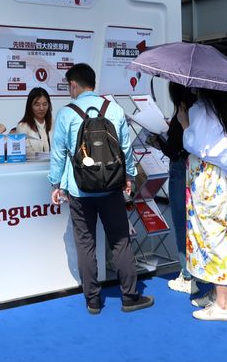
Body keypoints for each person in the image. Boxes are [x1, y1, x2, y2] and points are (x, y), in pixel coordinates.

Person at [48, 63, 153, 314]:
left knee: (85, 243)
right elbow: (125, 149)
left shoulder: (66, 113)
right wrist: (128, 176)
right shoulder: (114, 110)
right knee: (120, 241)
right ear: (93, 83)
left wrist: (55, 184)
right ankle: (129, 296)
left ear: (74, 84)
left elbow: (59, 154)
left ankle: (93, 301)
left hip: (79, 190)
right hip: (111, 188)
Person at [177, 88, 227, 321]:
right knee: (215, 234)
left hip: (206, 179)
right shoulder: (221, 110)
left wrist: (184, 123)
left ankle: (223, 304)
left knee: (212, 237)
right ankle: (215, 293)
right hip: (217, 177)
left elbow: (196, 145)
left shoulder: (200, 110)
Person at [151, 82, 195, 294]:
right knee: (196, 221)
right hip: (199, 170)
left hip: (181, 169)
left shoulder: (183, 110)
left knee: (180, 221)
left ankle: (187, 275)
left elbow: (174, 149)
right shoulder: (202, 107)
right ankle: (198, 271)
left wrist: (159, 138)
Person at [16, 87, 53, 156]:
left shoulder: (54, 123)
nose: (41, 108)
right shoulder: (22, 127)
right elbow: (27, 153)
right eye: (37, 105)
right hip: (33, 165)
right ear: (30, 106)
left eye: (45, 104)